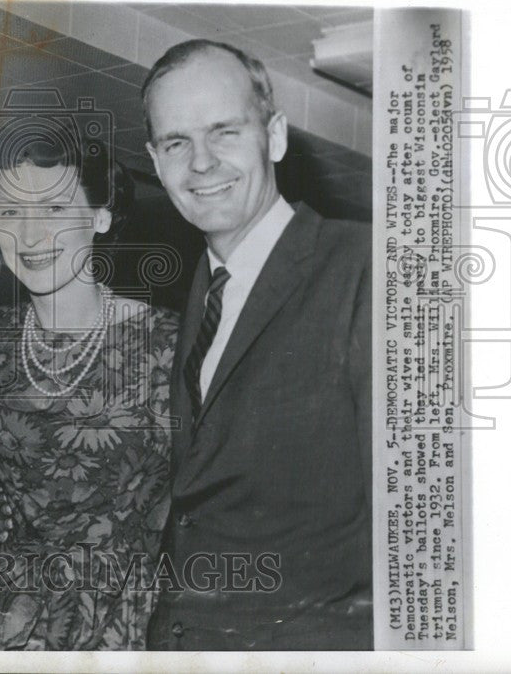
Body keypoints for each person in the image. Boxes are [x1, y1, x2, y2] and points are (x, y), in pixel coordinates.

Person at [141, 39, 372, 651]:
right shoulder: (199, 293)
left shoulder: (366, 267)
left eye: (224, 132)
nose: (201, 164)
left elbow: (423, 530)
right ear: (155, 160)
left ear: (274, 136)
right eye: (176, 143)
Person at [0, 126, 179, 651]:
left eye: (54, 209)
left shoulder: (168, 342)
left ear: (100, 217)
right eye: (11, 212)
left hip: (129, 622)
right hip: (7, 622)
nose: (29, 237)